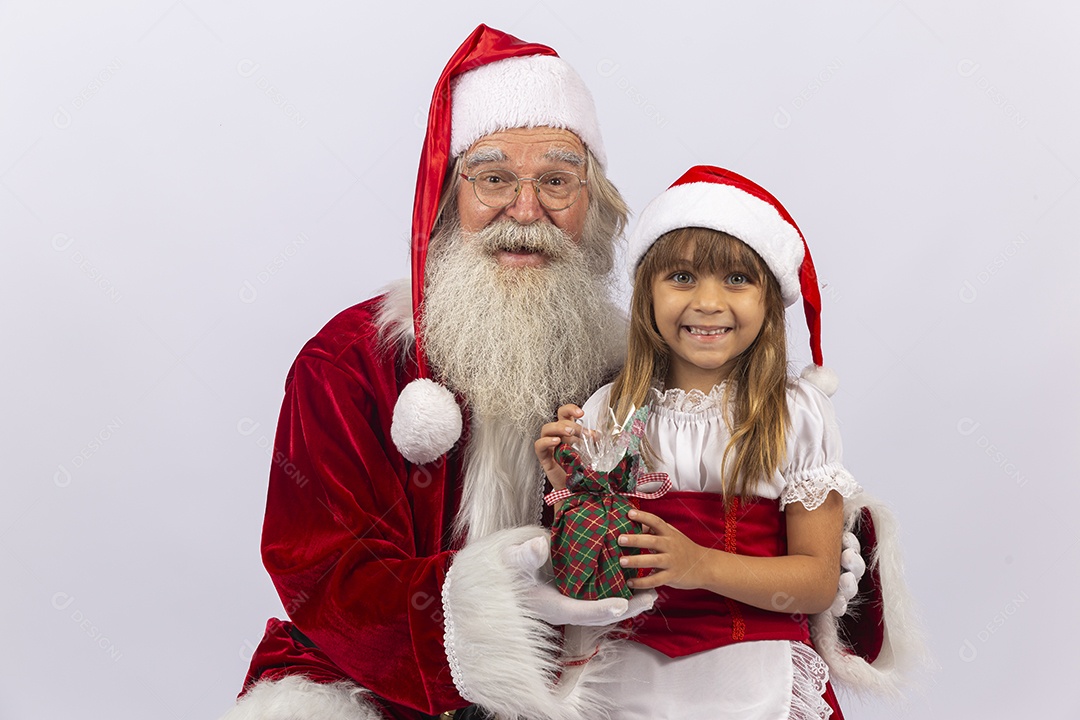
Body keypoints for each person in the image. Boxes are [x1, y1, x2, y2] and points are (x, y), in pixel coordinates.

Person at [221, 26, 902, 720]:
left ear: (594, 206)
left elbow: (745, 494)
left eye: (556, 181)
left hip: (611, 677)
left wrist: (829, 554)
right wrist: (487, 609)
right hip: (395, 686)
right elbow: (319, 568)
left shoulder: (632, 372)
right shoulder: (351, 363)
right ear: (446, 203)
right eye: (492, 179)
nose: (525, 211)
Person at [535, 166, 923, 718]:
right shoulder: (610, 409)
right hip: (625, 679)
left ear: (769, 300)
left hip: (753, 676)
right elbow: (591, 569)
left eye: (736, 280)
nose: (709, 302)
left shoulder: (794, 415)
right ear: (647, 293)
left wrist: (699, 565)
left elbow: (815, 581)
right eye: (683, 277)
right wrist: (569, 488)